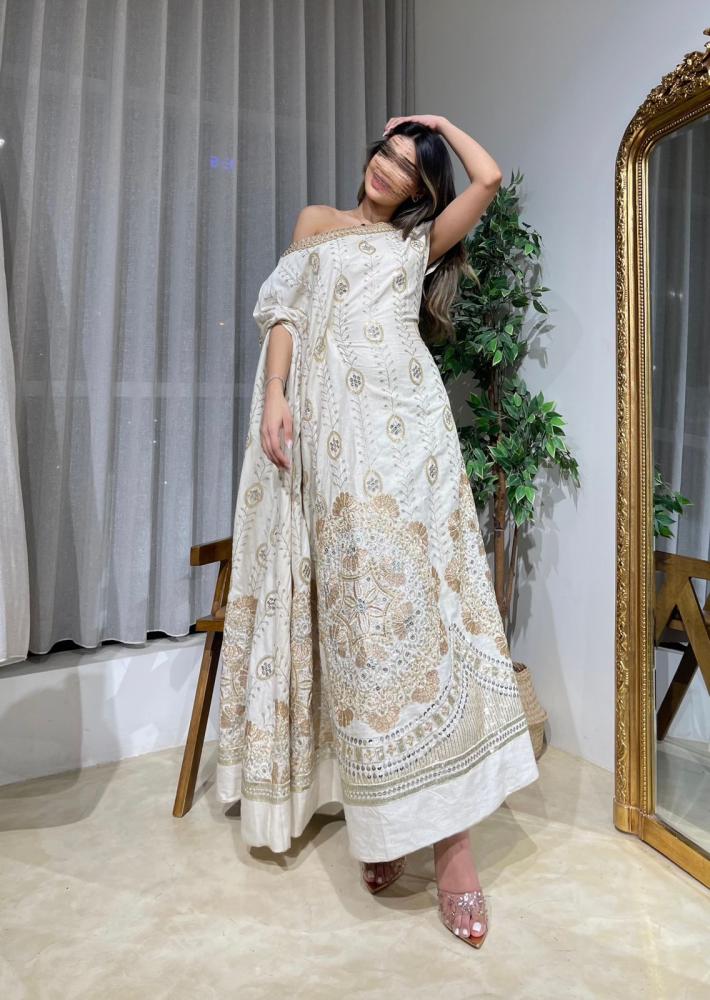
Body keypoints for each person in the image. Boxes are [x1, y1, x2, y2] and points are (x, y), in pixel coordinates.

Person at [217, 114, 540, 949]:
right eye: (385, 152)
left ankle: (454, 850)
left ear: (420, 188)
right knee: (362, 630)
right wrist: (277, 394)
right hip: (333, 437)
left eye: (407, 165)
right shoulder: (316, 221)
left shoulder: (418, 240)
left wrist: (437, 125)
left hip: (410, 438)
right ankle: (387, 817)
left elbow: (489, 177)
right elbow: (285, 312)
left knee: (422, 623)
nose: (388, 168)